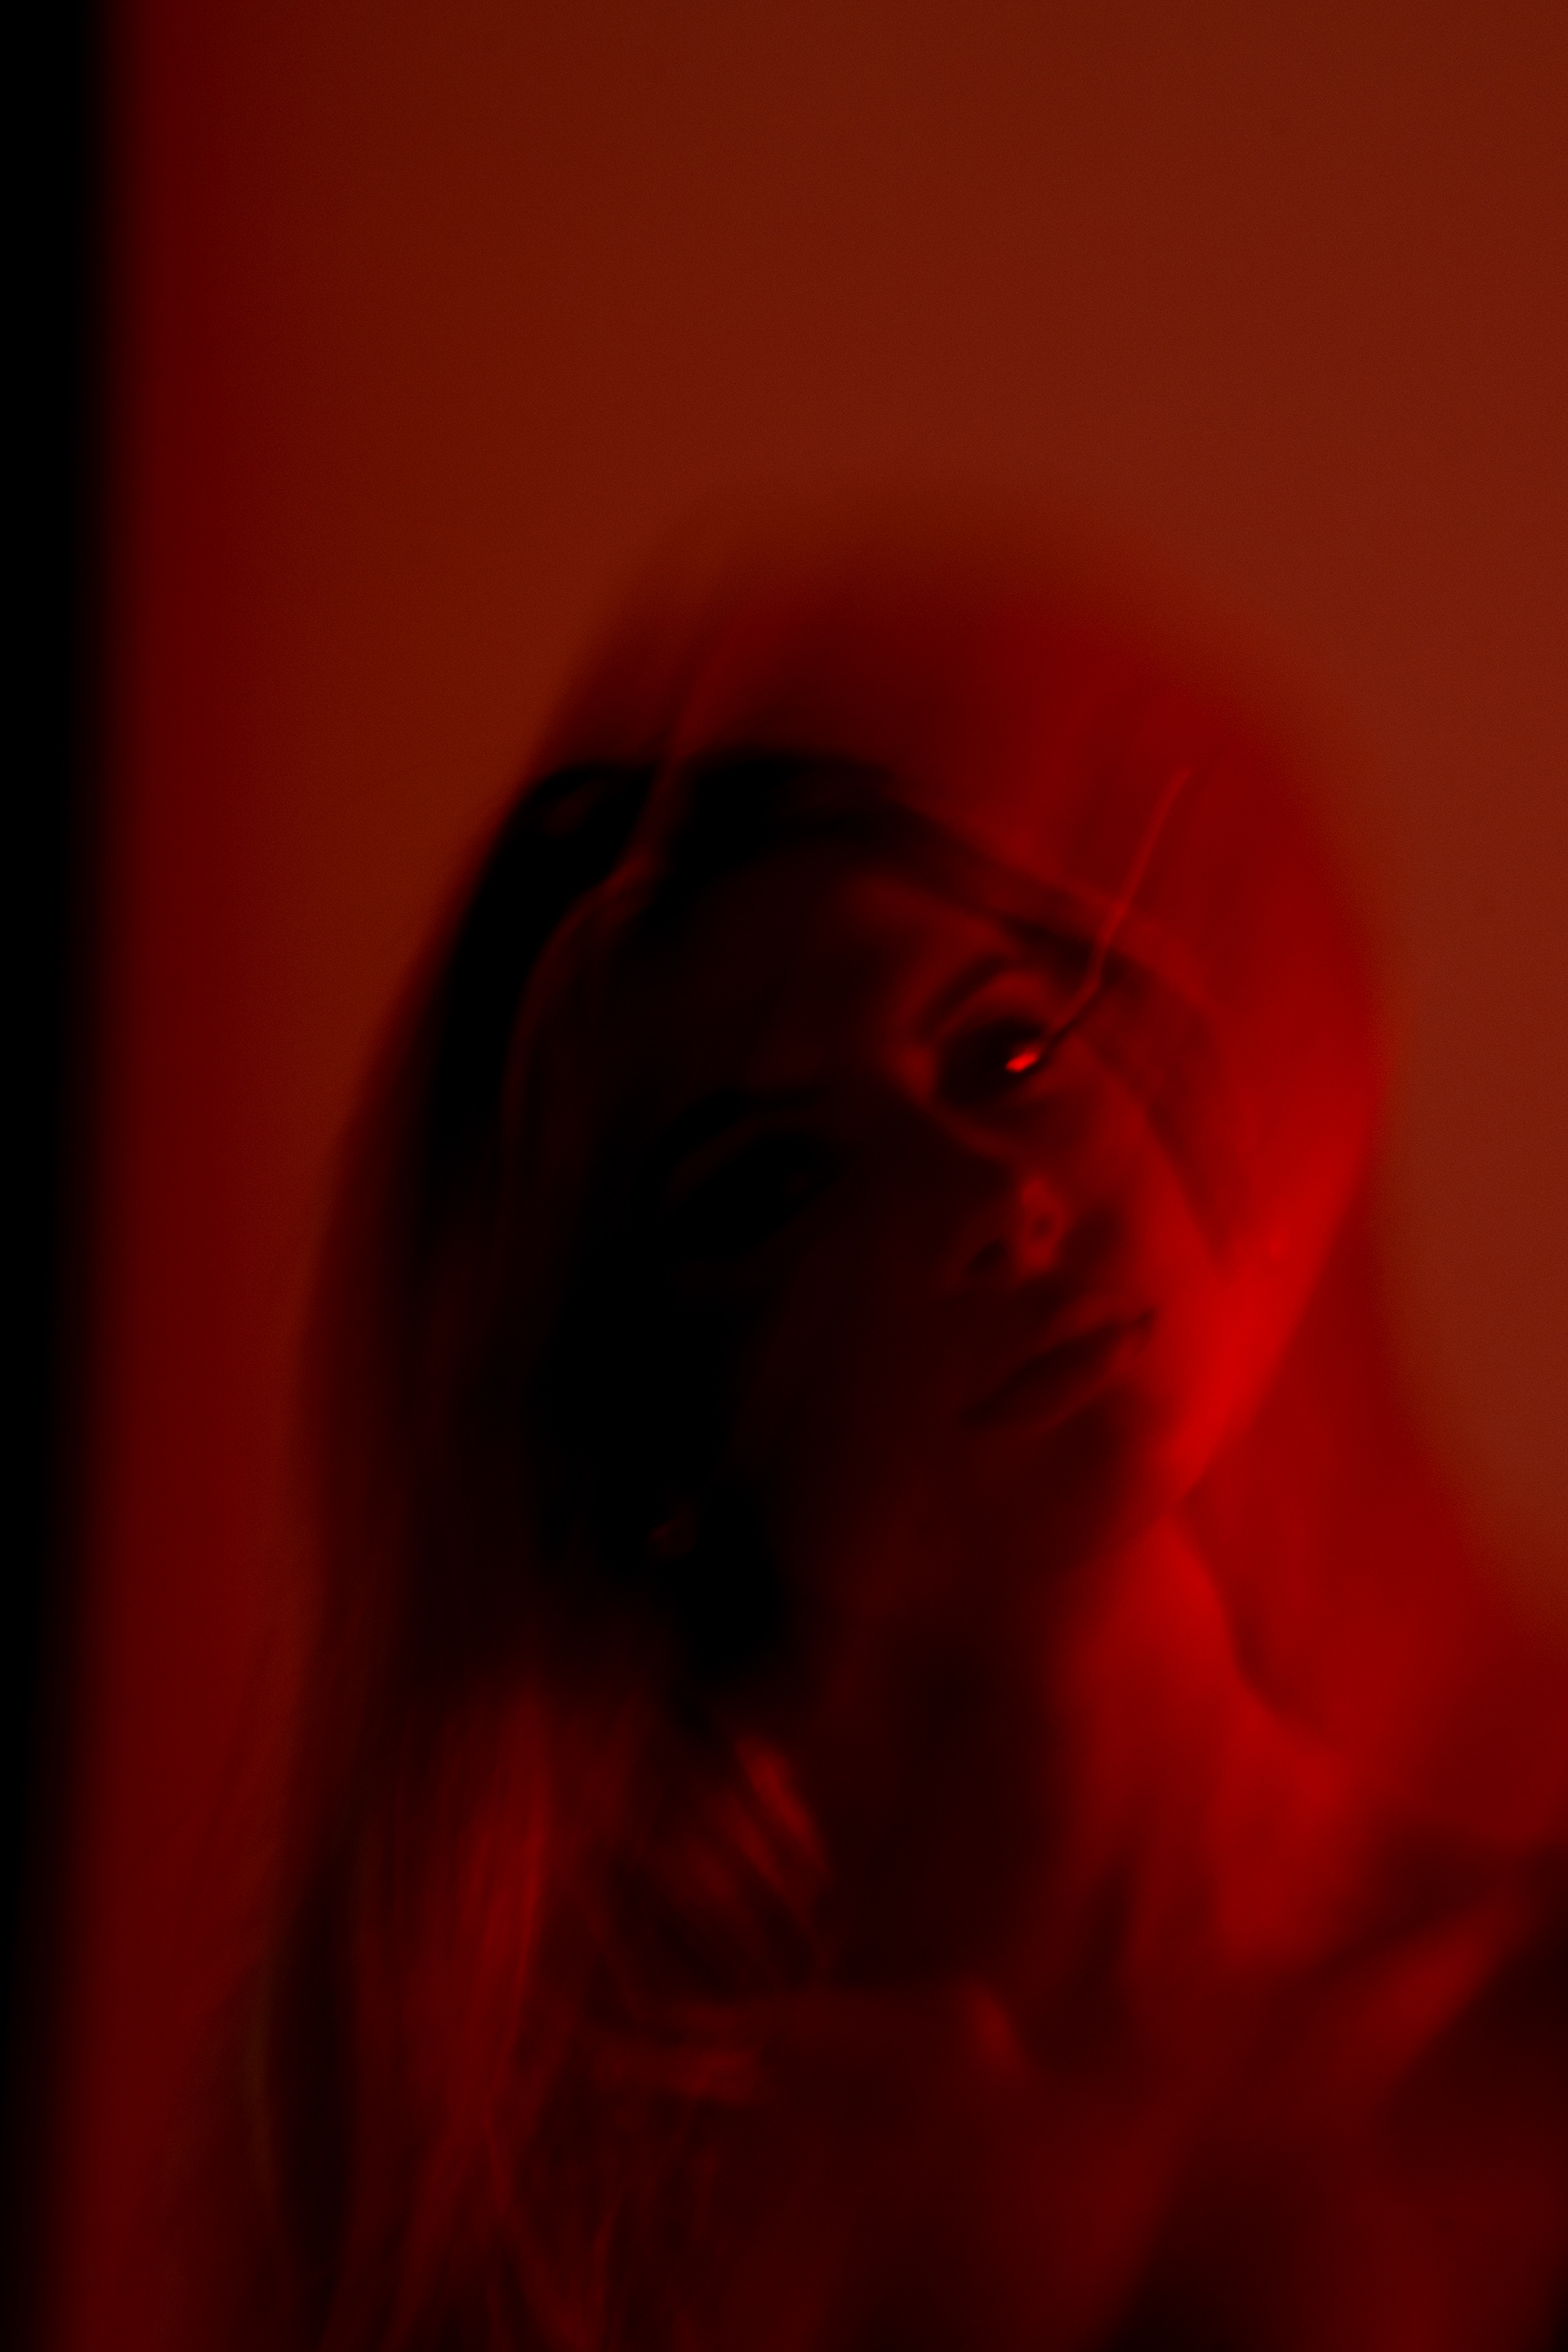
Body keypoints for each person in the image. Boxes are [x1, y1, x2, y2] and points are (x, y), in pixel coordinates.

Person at [219, 542, 1568, 2351]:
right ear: (632, 1410)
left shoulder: (1514, 2006)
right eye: (778, 1181)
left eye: (1006, 1054)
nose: (992, 1203)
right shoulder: (564, 2161)